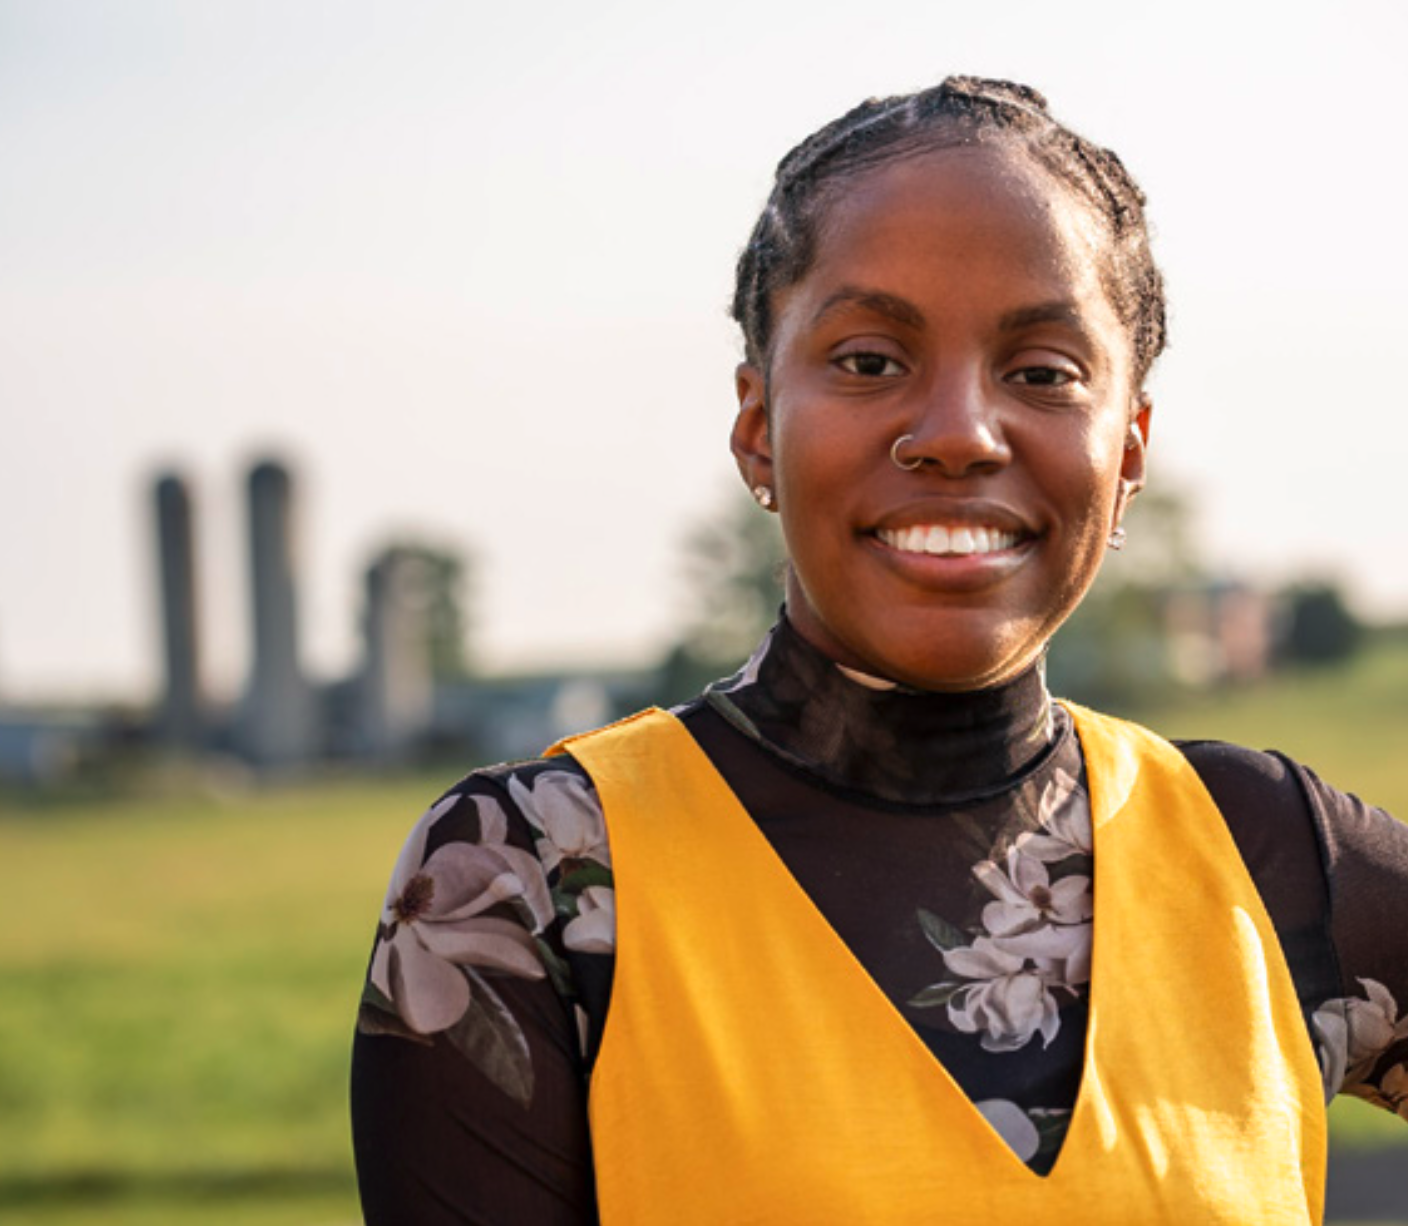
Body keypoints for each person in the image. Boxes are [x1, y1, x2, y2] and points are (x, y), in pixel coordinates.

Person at [350, 77, 1408, 1223]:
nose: (957, 430)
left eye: (1043, 371)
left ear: (1128, 447)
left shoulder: (1269, 858)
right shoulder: (529, 881)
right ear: (759, 426)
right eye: (866, 360)